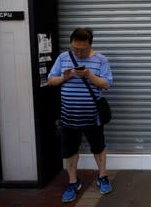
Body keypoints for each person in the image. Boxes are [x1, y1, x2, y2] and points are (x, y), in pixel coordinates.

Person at [47, 27, 113, 203]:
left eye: (82, 49)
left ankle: (103, 176)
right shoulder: (63, 58)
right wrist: (64, 78)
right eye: (75, 48)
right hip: (68, 116)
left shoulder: (101, 60)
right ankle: (73, 182)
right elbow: (50, 81)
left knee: (98, 147)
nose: (77, 52)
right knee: (70, 150)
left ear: (90, 45)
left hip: (93, 117)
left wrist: (89, 75)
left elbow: (106, 84)